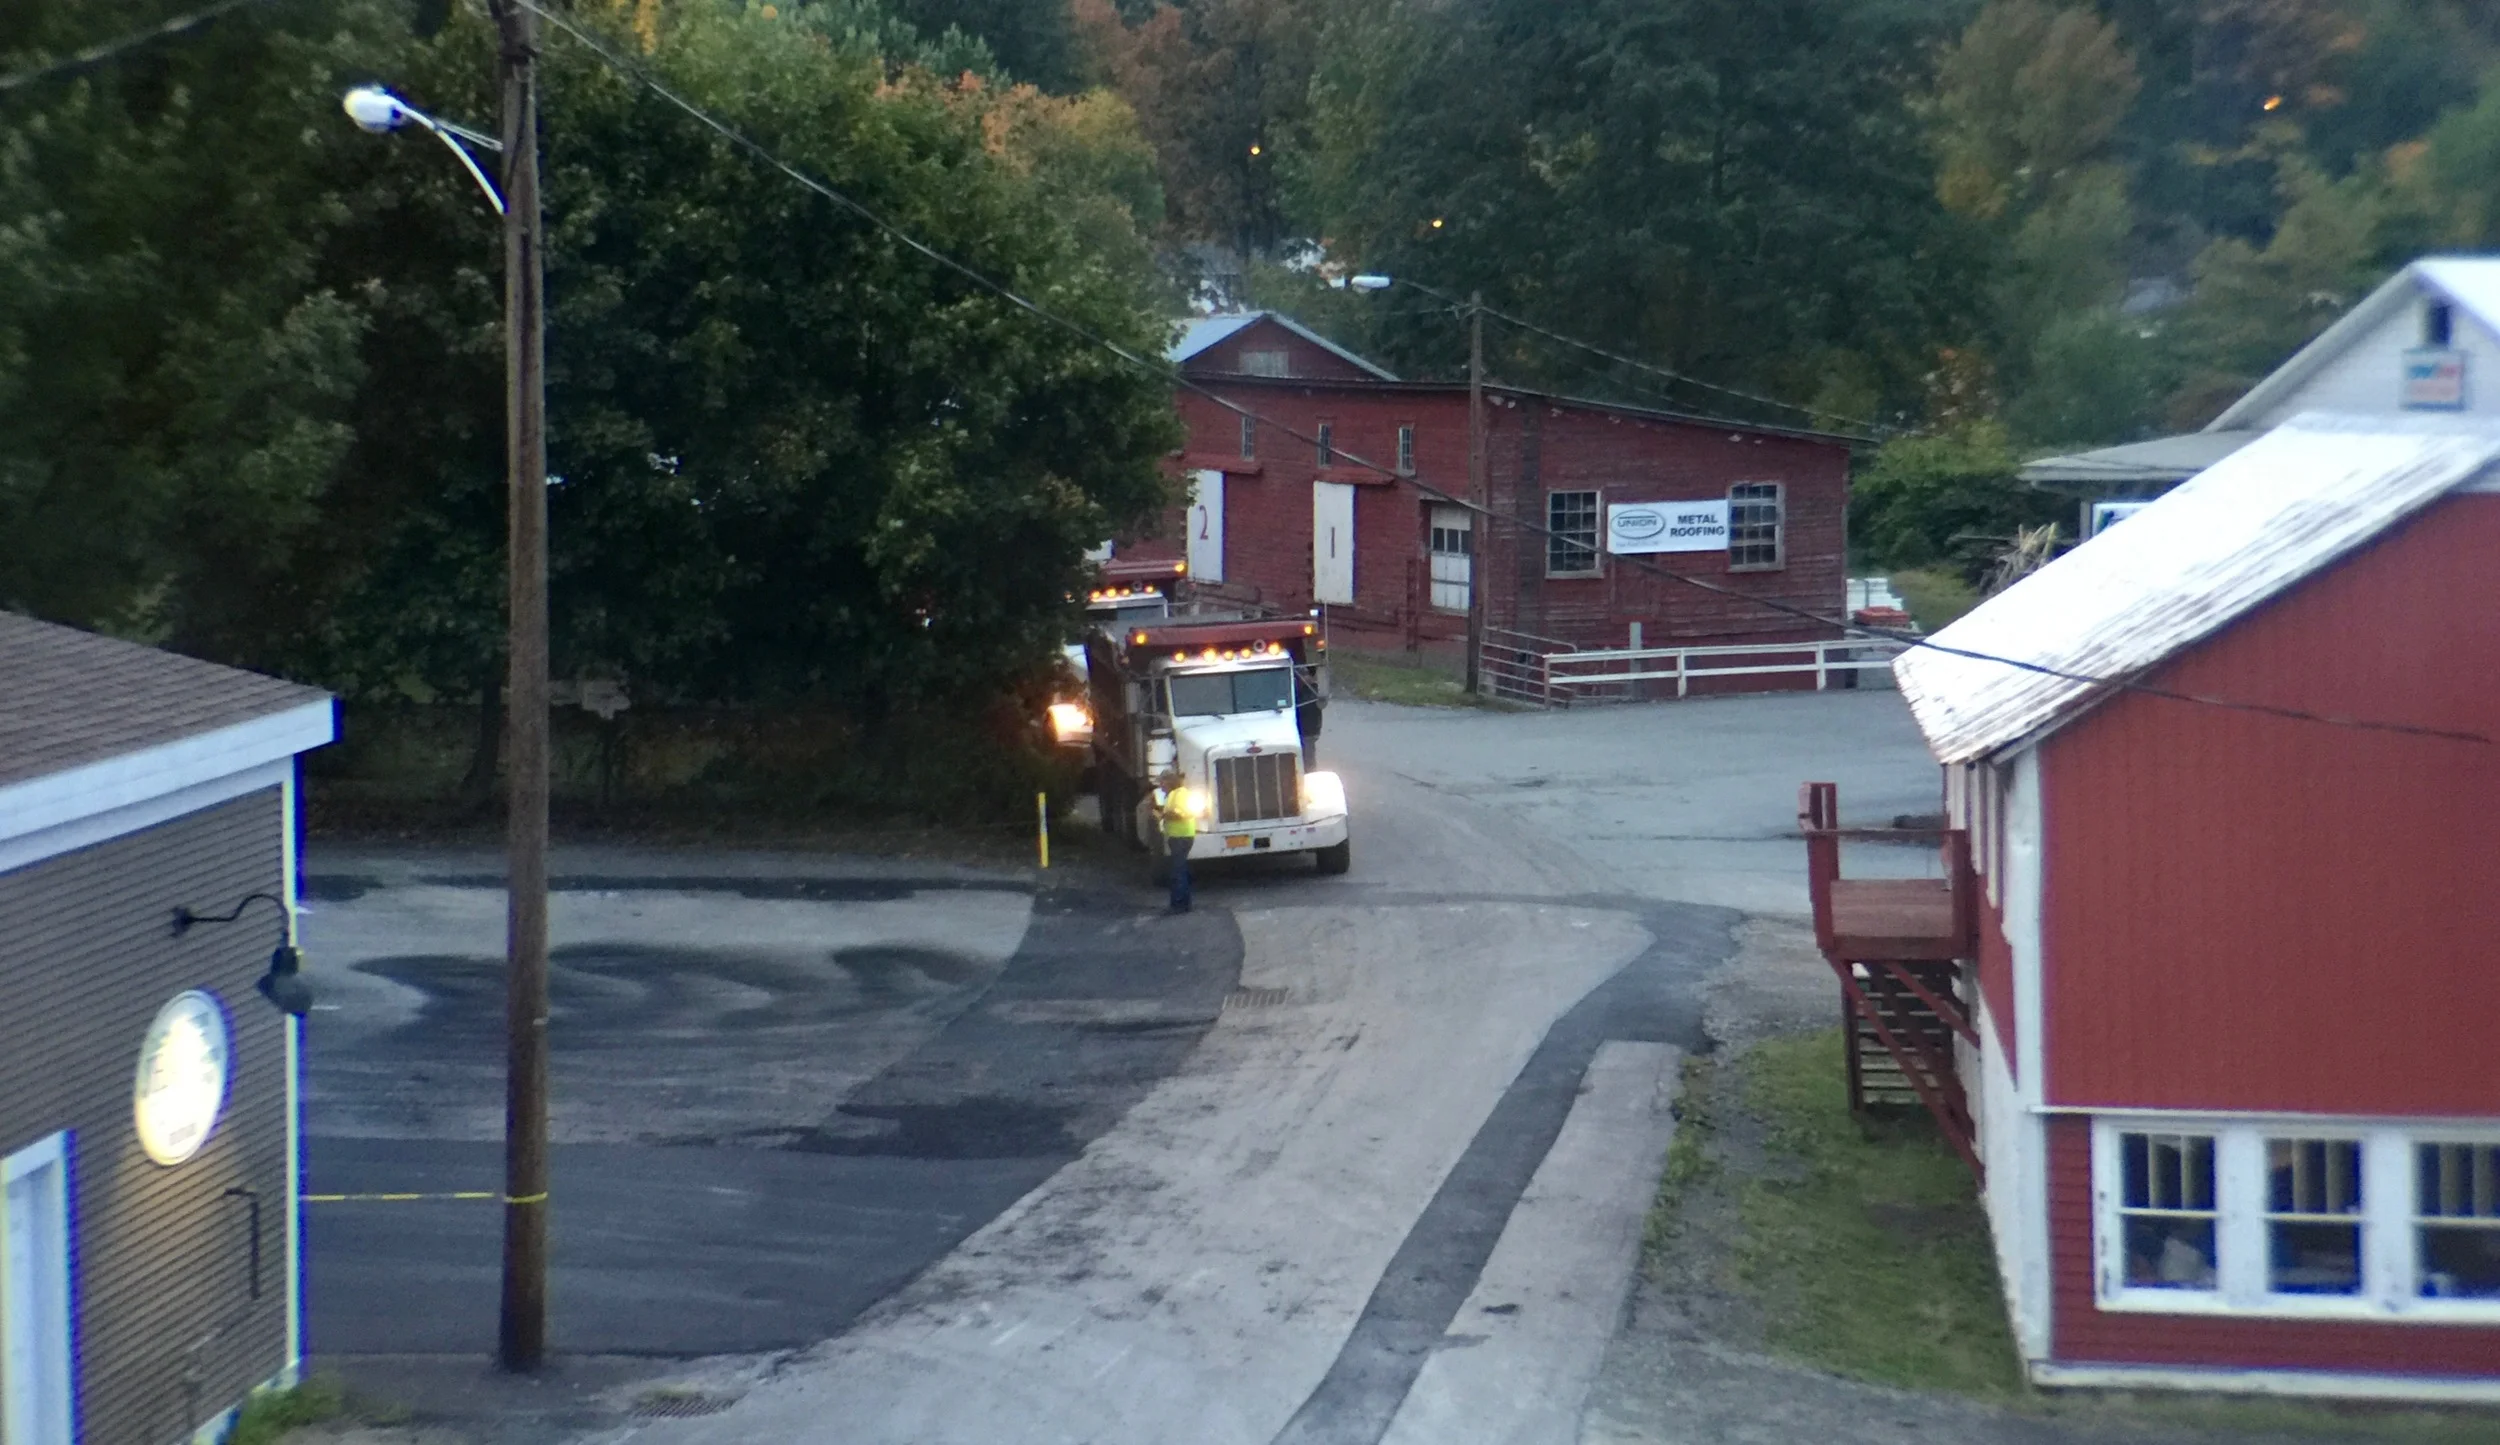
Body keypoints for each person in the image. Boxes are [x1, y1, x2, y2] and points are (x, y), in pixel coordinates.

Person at [1152, 768, 1198, 913]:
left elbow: (1179, 814)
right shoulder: (1177, 794)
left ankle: (1178, 905)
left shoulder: (1178, 795)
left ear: (1170, 782)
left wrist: (1162, 816)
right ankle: (1185, 904)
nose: (1161, 786)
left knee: (1177, 872)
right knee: (1180, 870)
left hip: (1180, 837)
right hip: (1181, 836)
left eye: (1162, 782)